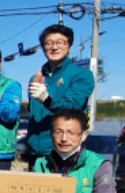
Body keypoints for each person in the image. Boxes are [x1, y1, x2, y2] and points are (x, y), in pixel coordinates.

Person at [26, 24, 95, 162]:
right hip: (35, 154)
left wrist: (47, 99)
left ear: (69, 46)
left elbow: (73, 107)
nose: (54, 47)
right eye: (49, 43)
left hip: (63, 153)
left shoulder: (81, 74)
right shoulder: (36, 78)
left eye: (60, 42)